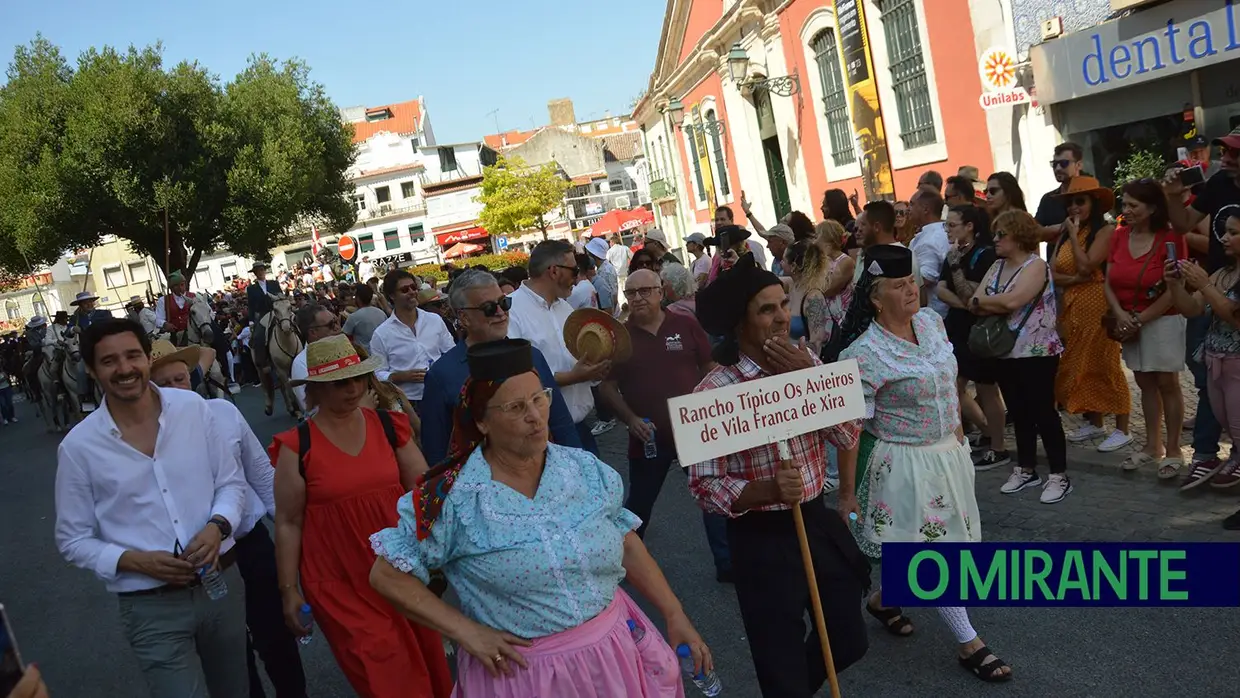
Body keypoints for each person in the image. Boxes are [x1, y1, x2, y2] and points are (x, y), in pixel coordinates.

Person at [369, 338, 711, 697]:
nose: (535, 416)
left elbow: (625, 543)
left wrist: (673, 612)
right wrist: (465, 631)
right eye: (516, 407)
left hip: (613, 655)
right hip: (526, 677)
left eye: (539, 398)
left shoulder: (582, 469)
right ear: (482, 421)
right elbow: (387, 576)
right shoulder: (452, 497)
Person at [688, 254, 870, 698]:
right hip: (761, 538)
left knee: (848, 639)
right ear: (738, 323)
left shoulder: (805, 359)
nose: (780, 317)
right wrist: (763, 490)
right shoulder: (713, 392)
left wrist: (810, 379)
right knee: (779, 659)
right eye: (766, 309)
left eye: (782, 305)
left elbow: (849, 433)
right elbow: (703, 487)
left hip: (814, 521)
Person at [837, 245, 1012, 682]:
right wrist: (845, 493)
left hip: (947, 456)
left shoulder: (932, 323)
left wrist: (958, 424)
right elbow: (850, 428)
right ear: (877, 298)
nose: (911, 290)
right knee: (937, 554)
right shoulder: (863, 354)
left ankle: (883, 600)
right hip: (903, 464)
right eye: (899, 286)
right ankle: (969, 642)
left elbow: (947, 378)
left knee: (940, 544)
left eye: (912, 280)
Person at [54, 319, 250, 698]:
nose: (124, 368)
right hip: (150, 608)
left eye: (132, 356)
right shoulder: (79, 448)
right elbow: (72, 538)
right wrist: (133, 560)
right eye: (109, 361)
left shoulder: (192, 408)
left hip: (221, 586)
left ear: (147, 359)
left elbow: (230, 482)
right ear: (93, 371)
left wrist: (217, 527)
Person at [271, 334, 451, 698]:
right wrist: (288, 590)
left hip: (400, 569)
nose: (352, 389)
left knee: (427, 663)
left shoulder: (388, 426)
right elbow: (288, 523)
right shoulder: (296, 446)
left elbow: (422, 492)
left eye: (357, 378)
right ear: (315, 390)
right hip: (338, 581)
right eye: (339, 383)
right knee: (381, 671)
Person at [147, 339, 307, 697]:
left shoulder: (222, 412)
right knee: (231, 651)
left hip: (250, 544)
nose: (177, 388)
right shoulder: (149, 437)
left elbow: (262, 475)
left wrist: (291, 533)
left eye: (181, 378)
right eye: (166, 383)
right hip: (203, 558)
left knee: (277, 637)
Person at [598, 270, 731, 581]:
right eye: (631, 293)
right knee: (638, 507)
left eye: (645, 290)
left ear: (661, 292)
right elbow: (607, 387)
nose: (638, 298)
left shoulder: (685, 323)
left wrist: (713, 405)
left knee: (713, 498)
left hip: (695, 430)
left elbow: (709, 366)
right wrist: (629, 419)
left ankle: (728, 564)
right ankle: (624, 567)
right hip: (648, 436)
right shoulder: (620, 336)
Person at [421, 269, 581, 465]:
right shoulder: (441, 375)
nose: (500, 313)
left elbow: (560, 423)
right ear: (464, 318)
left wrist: (577, 468)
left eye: (504, 303)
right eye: (489, 308)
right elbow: (436, 454)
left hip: (544, 477)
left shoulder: (532, 356)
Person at [972, 211, 1069, 503]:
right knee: (1019, 410)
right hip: (1005, 350)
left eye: (1002, 234)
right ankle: (1026, 468)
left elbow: (1013, 301)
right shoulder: (996, 266)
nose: (996, 239)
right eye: (995, 233)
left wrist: (989, 302)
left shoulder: (1035, 265)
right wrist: (993, 303)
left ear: (1019, 235)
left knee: (1043, 412)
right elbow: (973, 301)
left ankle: (1059, 474)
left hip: (1036, 350)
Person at [1165, 127, 1240, 488]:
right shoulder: (1217, 184)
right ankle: (1207, 454)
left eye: (1234, 153)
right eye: (1224, 150)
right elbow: (1181, 225)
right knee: (1209, 375)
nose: (1226, 158)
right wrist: (1172, 194)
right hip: (1214, 283)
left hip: (1224, 289)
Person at [1105, 179, 1188, 478]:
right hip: (1129, 320)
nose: (1126, 210)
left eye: (1133, 205)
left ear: (1152, 207)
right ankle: (1153, 446)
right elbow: (1109, 281)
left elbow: (1173, 288)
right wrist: (1121, 315)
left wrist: (1139, 319)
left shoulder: (1170, 237)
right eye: (1124, 204)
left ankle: (1175, 448)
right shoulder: (1119, 237)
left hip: (1162, 318)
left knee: (1168, 383)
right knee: (1144, 383)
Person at [1050, 177, 1132, 453]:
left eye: (1080, 201)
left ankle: (1123, 429)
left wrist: (1072, 237)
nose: (1074, 207)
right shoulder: (1068, 230)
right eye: (1070, 202)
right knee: (1079, 364)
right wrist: (1073, 278)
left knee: (1105, 364)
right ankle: (1094, 421)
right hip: (1072, 307)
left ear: (1093, 203)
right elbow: (1053, 272)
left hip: (1098, 305)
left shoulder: (1105, 230)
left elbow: (1086, 266)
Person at [507, 240, 608, 454]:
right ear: (554, 271)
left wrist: (595, 369)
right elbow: (516, 376)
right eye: (574, 270)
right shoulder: (511, 310)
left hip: (579, 429)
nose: (578, 277)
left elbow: (576, 361)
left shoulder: (566, 309)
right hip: (543, 437)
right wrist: (573, 376)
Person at [935, 206, 1008, 470]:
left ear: (969, 226)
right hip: (958, 327)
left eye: (952, 225)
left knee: (987, 388)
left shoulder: (984, 255)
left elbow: (972, 292)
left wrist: (956, 267)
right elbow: (943, 290)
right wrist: (964, 305)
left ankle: (998, 446)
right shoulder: (954, 252)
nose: (948, 230)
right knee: (953, 385)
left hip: (980, 330)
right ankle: (984, 432)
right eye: (947, 225)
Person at [371, 270, 456, 412]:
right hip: (409, 402)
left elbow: (451, 353)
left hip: (442, 392)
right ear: (392, 296)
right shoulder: (381, 334)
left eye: (413, 287)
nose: (411, 292)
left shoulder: (434, 320)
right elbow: (377, 374)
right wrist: (399, 376)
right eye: (405, 289)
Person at [290, 304, 342, 413]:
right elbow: (312, 408)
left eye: (337, 321)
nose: (338, 327)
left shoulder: (347, 348)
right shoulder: (301, 363)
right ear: (313, 332)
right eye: (331, 325)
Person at [909, 187, 951, 315]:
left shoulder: (930, 240)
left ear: (926, 209)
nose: (907, 209)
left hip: (933, 314)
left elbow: (924, 279)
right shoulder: (943, 231)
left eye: (912, 204)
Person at [342, 282, 389, 352]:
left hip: (365, 356)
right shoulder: (381, 313)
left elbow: (344, 336)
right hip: (383, 351)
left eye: (354, 296)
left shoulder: (354, 317)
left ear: (358, 298)